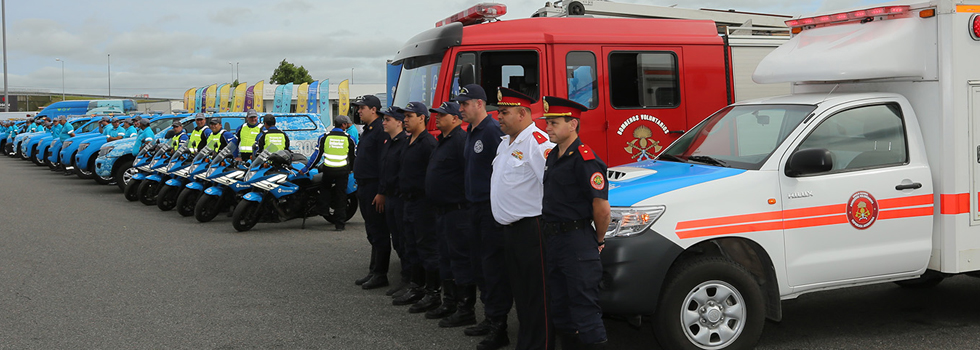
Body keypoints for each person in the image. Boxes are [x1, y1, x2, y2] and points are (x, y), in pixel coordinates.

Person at [540, 96, 610, 349]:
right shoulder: (553, 156)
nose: (548, 127)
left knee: (584, 310)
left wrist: (599, 240)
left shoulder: (585, 160)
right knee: (560, 308)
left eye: (554, 123)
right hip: (555, 239)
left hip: (577, 240)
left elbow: (601, 208)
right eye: (547, 122)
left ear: (573, 125)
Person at [490, 87, 556, 350]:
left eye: (504, 112)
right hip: (511, 231)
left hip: (533, 230)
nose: (499, 117)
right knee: (522, 295)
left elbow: (552, 188)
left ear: (523, 113)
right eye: (498, 112)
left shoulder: (537, 142)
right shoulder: (505, 143)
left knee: (538, 297)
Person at [447, 84, 512, 339]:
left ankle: (499, 325)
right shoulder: (471, 131)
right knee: (479, 266)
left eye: (464, 104)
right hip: (473, 209)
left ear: (480, 104)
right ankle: (490, 317)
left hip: (490, 210)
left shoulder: (493, 132)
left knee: (493, 267)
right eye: (460, 104)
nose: (460, 108)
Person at [392, 101, 440, 313]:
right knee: (410, 245)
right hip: (408, 201)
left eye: (410, 116)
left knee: (426, 248)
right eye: (405, 116)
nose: (405, 120)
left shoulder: (428, 143)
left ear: (422, 117)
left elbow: (432, 175)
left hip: (423, 203)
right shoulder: (407, 141)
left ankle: (432, 292)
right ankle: (416, 286)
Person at [424, 101, 469, 321]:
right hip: (441, 211)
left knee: (459, 260)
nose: (437, 118)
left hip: (457, 211)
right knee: (445, 258)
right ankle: (449, 302)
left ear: (455, 118)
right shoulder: (442, 141)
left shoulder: (461, 141)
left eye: (442, 114)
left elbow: (467, 174)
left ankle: (465, 309)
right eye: (436, 114)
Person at [351, 94, 391, 290]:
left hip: (374, 187)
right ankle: (373, 270)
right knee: (371, 231)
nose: (359, 111)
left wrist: (382, 191)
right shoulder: (368, 130)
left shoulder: (380, 131)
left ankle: (380, 273)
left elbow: (384, 164)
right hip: (364, 186)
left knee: (379, 231)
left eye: (362, 108)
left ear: (373, 109)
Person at [374, 107, 411, 296]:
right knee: (397, 239)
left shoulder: (404, 143)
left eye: (388, 119)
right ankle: (406, 278)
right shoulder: (389, 142)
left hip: (399, 198)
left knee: (404, 240)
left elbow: (401, 173)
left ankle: (408, 280)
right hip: (389, 197)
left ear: (399, 122)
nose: (384, 122)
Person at [302, 115, 357, 231]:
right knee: (341, 197)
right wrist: (352, 169)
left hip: (328, 170)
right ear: (343, 125)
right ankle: (340, 225)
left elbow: (316, 156)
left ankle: (323, 210)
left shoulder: (324, 137)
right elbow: (353, 157)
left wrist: (306, 168)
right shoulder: (349, 138)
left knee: (325, 189)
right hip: (342, 171)